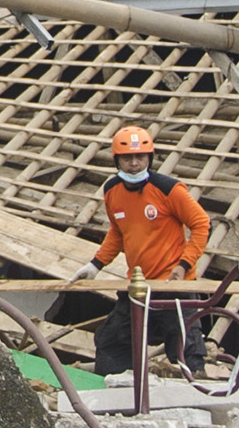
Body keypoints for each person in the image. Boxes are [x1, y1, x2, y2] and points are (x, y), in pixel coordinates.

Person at [89, 123, 213, 381]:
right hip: (137, 286)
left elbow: (201, 224)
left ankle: (195, 394)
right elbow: (118, 232)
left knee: (187, 350)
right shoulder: (112, 191)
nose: (134, 163)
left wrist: (184, 265)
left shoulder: (169, 189)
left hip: (174, 286)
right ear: (117, 160)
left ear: (149, 158)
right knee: (111, 343)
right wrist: (95, 264)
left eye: (140, 157)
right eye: (127, 158)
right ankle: (119, 397)